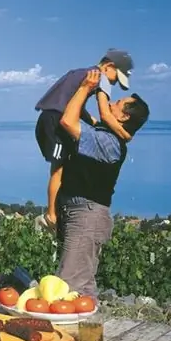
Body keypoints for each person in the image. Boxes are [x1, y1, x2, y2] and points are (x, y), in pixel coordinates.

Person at [55, 69, 149, 300]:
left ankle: (73, 334)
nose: (112, 103)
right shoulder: (103, 131)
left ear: (125, 117)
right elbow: (80, 112)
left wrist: (87, 88)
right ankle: (90, 331)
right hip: (79, 211)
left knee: (68, 287)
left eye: (118, 102)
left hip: (87, 215)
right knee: (81, 284)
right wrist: (97, 90)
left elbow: (68, 121)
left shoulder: (110, 143)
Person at [33, 49, 134, 234]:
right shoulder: (99, 78)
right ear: (109, 66)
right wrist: (123, 133)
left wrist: (91, 122)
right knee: (59, 168)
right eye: (115, 78)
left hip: (49, 118)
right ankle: (51, 216)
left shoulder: (83, 72)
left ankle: (56, 211)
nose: (114, 83)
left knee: (64, 165)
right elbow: (105, 113)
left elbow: (74, 105)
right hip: (55, 121)